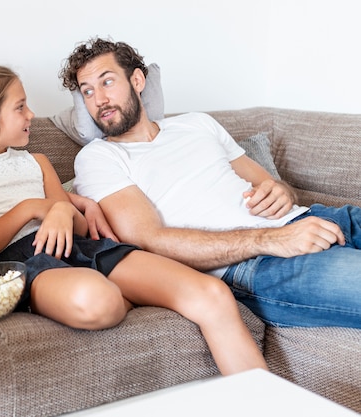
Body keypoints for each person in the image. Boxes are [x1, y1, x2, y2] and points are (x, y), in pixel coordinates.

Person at [0, 64, 268, 375]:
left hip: (80, 246)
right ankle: (119, 292)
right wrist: (32, 208)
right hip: (23, 262)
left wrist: (64, 209)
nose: (31, 115)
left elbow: (79, 228)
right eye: (20, 107)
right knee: (101, 302)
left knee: (212, 293)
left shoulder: (37, 162)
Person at [59, 37, 361, 329]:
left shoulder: (196, 123)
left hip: (311, 219)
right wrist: (271, 240)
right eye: (87, 91)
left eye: (107, 82)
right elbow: (149, 239)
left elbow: (270, 183)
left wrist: (282, 191)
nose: (99, 100)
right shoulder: (98, 157)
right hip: (255, 263)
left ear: (137, 81)